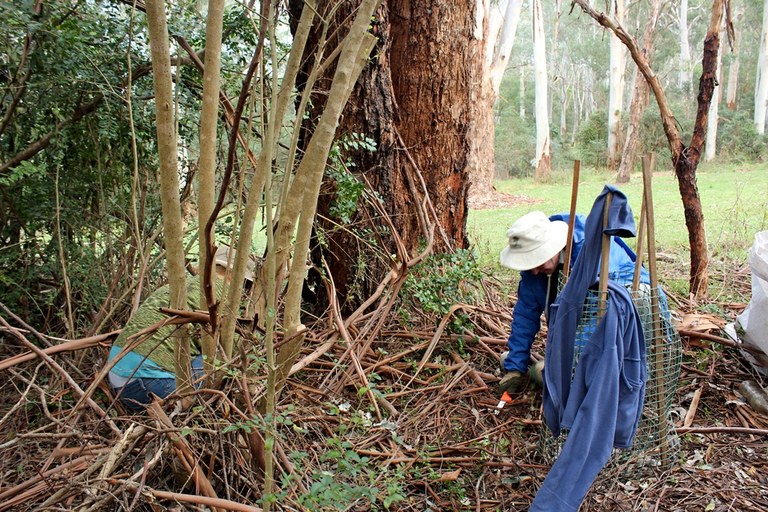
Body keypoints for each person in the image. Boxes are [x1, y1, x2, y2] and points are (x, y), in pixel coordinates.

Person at [498, 210, 648, 394]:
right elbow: (525, 316)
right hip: (585, 326)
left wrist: (566, 363)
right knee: (511, 360)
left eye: (538, 262)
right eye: (530, 264)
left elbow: (597, 317)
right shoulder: (534, 271)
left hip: (624, 318)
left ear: (553, 248)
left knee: (546, 374)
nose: (535, 271)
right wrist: (515, 367)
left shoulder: (590, 253)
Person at [106, 245, 254, 411]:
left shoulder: (175, 285)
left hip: (116, 379)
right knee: (222, 360)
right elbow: (232, 349)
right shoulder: (225, 297)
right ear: (240, 278)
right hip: (152, 387)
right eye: (247, 285)